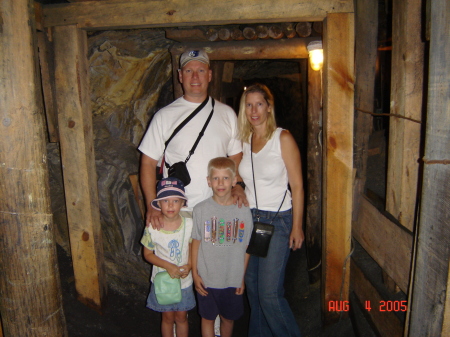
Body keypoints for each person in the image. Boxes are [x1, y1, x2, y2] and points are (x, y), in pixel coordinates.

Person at [138, 49, 247, 231]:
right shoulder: (164, 116)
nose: (195, 77)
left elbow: (236, 157)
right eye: (189, 71)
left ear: (210, 75)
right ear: (180, 76)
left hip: (217, 207)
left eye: (201, 71)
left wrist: (238, 187)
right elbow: (148, 163)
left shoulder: (227, 114)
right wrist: (152, 205)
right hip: (177, 211)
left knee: (214, 259)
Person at [237, 84, 304, 337]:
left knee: (269, 294)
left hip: (278, 221)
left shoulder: (282, 138)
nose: (254, 110)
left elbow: (297, 185)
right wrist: (238, 187)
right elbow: (237, 175)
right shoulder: (243, 140)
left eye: (259, 104)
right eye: (249, 105)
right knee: (253, 289)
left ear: (269, 107)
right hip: (252, 221)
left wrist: (297, 226)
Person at [191, 157, 253, 337]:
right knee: (208, 318)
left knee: (228, 319)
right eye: (216, 178)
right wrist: (195, 274)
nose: (220, 183)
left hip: (231, 278)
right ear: (208, 181)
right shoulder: (200, 210)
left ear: (234, 181)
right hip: (207, 279)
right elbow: (196, 242)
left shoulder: (244, 211)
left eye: (225, 178)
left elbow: (247, 246)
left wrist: (241, 277)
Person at [141, 177, 195, 337]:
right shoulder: (152, 227)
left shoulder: (190, 224)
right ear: (158, 204)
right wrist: (168, 266)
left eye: (175, 200)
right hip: (162, 281)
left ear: (182, 203)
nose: (170, 205)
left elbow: (193, 246)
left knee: (182, 317)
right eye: (165, 201)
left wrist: (190, 264)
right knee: (167, 318)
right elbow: (147, 254)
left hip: (184, 282)